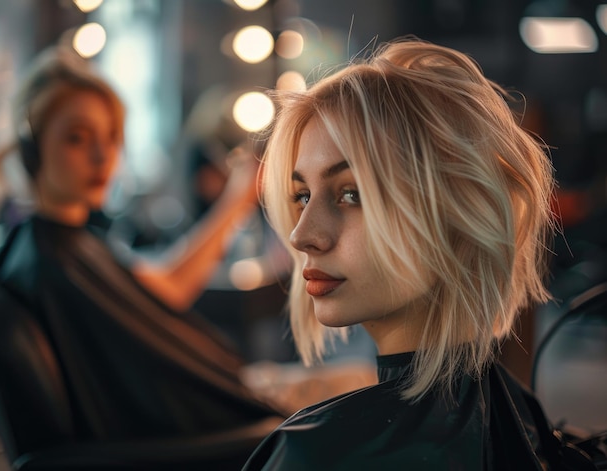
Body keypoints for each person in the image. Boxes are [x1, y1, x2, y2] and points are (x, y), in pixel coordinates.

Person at [243, 38, 596, 470]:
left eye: (351, 193)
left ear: (454, 216)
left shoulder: (311, 455)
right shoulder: (517, 417)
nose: (302, 235)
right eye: (301, 195)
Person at [0, 45, 285, 451]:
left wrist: (236, 199)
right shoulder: (55, 261)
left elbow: (164, 287)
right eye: (77, 137)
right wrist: (236, 201)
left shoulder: (65, 246)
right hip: (221, 442)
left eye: (110, 137)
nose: (101, 155)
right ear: (32, 149)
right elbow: (168, 293)